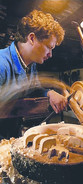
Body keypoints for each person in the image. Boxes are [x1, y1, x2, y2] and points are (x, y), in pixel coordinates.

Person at [0, 9, 68, 138]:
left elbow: (34, 89)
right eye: (49, 47)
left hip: (12, 132)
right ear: (32, 38)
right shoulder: (1, 63)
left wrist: (49, 93)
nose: (50, 54)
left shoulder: (31, 65)